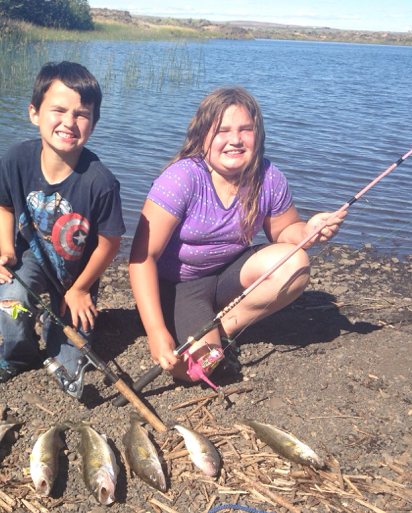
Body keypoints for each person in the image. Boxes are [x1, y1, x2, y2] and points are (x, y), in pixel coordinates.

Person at [129, 87, 345, 384]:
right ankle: (192, 329)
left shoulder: (269, 177)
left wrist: (308, 231)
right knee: (199, 370)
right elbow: (142, 258)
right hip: (179, 287)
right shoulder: (182, 178)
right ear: (202, 136)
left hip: (228, 275)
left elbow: (283, 231)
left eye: (245, 129)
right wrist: (156, 332)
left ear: (258, 134)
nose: (235, 139)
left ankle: (224, 326)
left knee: (295, 262)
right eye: (223, 131)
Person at [0, 61, 125, 386]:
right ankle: (19, 352)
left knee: (70, 360)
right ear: (34, 113)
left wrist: (81, 289)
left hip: (76, 275)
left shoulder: (101, 182)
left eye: (81, 114)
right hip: (30, 259)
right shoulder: (16, 160)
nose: (69, 122)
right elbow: (2, 206)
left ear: (94, 122)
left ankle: (56, 322)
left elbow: (110, 243)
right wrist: (7, 252)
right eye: (58, 110)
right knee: (10, 299)